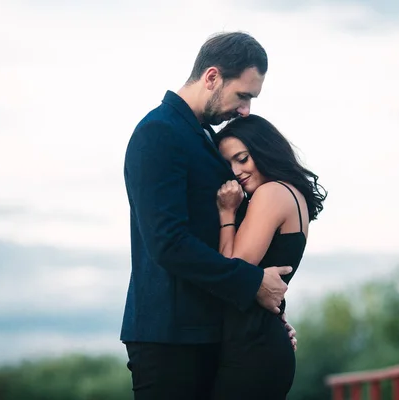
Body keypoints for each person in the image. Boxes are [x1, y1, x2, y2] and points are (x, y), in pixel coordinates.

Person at [121, 32, 295, 400]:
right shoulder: (158, 133)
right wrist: (251, 285)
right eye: (243, 96)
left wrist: (264, 316)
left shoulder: (201, 137)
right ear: (212, 77)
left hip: (210, 333)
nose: (246, 110)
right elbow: (168, 244)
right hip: (170, 338)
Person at [211, 115, 326, 399]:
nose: (236, 171)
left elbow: (232, 270)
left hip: (253, 349)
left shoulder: (271, 193)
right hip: (263, 342)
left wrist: (226, 213)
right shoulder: (292, 194)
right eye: (229, 164)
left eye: (242, 158)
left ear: (263, 150)